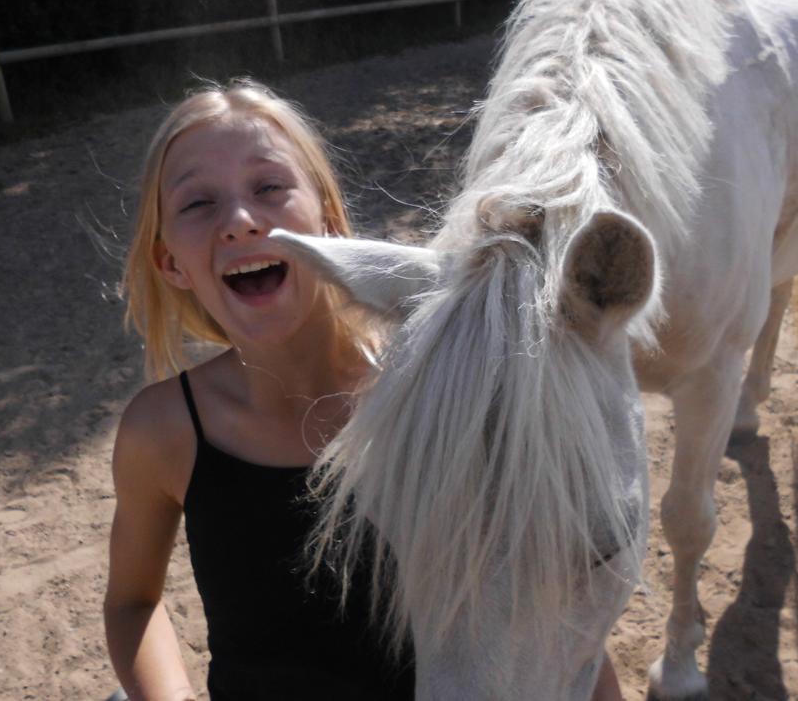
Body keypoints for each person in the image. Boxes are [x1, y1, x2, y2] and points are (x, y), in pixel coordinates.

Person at [103, 80, 624, 700]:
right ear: (170, 264)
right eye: (197, 204)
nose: (240, 221)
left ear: (328, 213)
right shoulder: (162, 432)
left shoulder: (435, 394)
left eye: (269, 187)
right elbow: (132, 602)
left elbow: (550, 610)